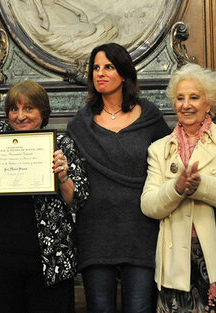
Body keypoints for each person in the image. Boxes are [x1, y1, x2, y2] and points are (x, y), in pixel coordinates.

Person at [0, 27, 89, 313]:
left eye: (29, 109)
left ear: (43, 113)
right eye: (14, 109)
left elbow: (76, 199)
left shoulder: (62, 144)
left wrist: (62, 177)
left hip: (48, 258)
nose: (20, 115)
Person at [67, 43, 171, 312]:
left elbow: (169, 163)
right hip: (95, 232)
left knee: (139, 308)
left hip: (141, 230)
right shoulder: (80, 124)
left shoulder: (149, 116)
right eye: (96, 68)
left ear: (124, 73)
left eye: (109, 67)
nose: (100, 73)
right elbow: (73, 184)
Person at [141, 63, 216, 312]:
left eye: (194, 97)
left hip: (212, 256)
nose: (186, 104)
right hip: (175, 264)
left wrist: (199, 185)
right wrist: (176, 188)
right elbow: (149, 205)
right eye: (180, 98)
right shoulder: (159, 149)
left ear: (209, 103)